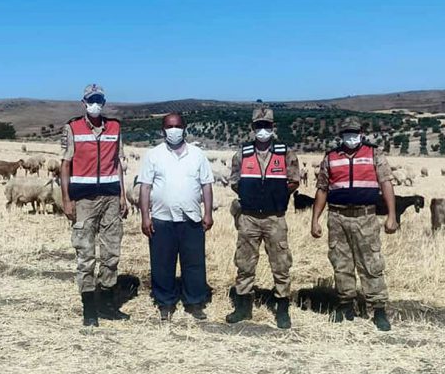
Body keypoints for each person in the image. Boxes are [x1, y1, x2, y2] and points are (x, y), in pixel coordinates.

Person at [310, 116, 397, 331]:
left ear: (361, 133)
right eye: (347, 133)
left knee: (371, 263)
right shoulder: (331, 157)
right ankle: (345, 304)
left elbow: (386, 183)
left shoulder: (373, 153)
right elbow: (322, 189)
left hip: (365, 217)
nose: (351, 137)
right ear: (341, 135)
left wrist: (392, 215)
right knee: (341, 263)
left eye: (354, 132)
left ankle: (378, 309)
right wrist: (315, 219)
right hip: (337, 217)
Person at [225, 107, 300, 329]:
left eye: (267, 126)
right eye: (259, 126)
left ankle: (282, 308)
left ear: (273, 127)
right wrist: (252, 197)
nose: (263, 130)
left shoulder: (285, 153)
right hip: (248, 217)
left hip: (275, 218)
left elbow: (294, 180)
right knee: (244, 262)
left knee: (281, 263)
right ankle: (242, 307)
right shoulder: (242, 154)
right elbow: (235, 182)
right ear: (253, 128)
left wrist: (275, 196)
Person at [60, 84, 129, 327]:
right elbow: (65, 165)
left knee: (111, 253)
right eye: (91, 100)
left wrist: (122, 195)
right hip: (84, 200)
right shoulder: (73, 127)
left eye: (99, 99)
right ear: (84, 102)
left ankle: (108, 304)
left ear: (104, 101)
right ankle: (89, 308)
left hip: (111, 197)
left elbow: (117, 163)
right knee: (86, 254)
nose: (95, 104)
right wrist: (67, 199)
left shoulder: (115, 127)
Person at [139, 113, 214, 321]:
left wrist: (208, 212)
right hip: (162, 218)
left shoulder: (197, 154)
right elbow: (145, 187)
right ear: (163, 130)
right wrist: (145, 216)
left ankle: (195, 302)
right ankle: (165, 302)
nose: (174, 130)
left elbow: (206, 185)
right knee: (162, 263)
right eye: (169, 126)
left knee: (194, 263)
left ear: (185, 128)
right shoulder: (154, 155)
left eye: (177, 126)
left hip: (191, 218)